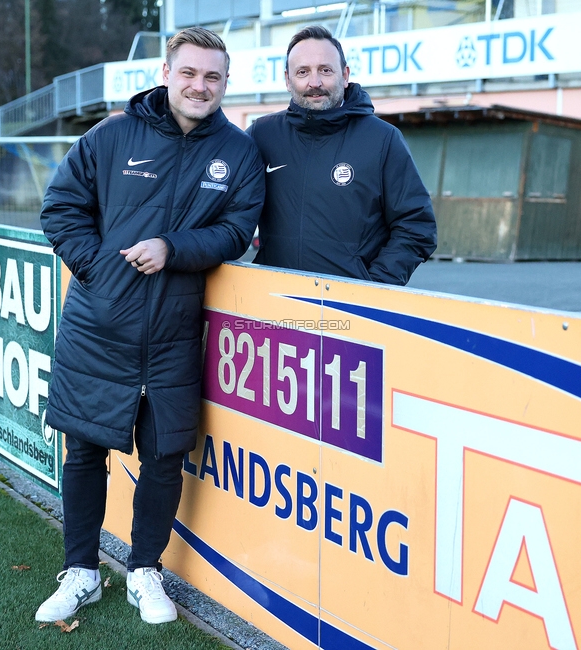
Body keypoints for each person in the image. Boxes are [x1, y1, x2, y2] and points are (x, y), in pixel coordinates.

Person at [36, 27, 264, 625]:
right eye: (188, 72)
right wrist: (99, 271)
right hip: (97, 327)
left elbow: (236, 231)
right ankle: (81, 571)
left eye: (212, 77)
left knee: (164, 457)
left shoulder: (239, 153)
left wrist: (173, 247)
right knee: (84, 450)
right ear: (166, 74)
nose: (199, 86)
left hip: (174, 335)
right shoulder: (112, 135)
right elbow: (60, 207)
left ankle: (144, 571)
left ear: (225, 83)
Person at [247, 25, 436, 285]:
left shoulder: (382, 139)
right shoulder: (262, 135)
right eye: (303, 72)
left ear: (345, 75)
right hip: (275, 298)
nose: (315, 82)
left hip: (350, 304)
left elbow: (417, 225)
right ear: (288, 80)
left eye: (326, 70)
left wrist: (375, 286)